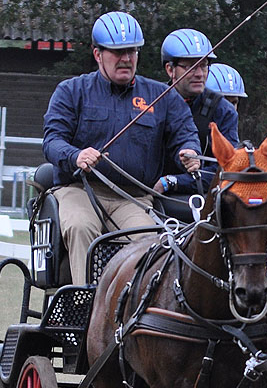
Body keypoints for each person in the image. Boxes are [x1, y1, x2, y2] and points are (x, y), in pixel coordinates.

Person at [43, 11, 201, 285]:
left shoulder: (162, 97)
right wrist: (76, 155)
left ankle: (137, 314)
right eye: (117, 52)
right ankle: (86, 306)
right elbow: (52, 141)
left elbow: (185, 134)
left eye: (131, 51)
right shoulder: (72, 91)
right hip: (80, 190)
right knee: (81, 227)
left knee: (152, 240)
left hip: (134, 198)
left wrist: (189, 151)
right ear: (97, 54)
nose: (126, 59)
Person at [155, 28, 239, 202]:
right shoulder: (150, 102)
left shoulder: (224, 111)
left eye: (203, 65)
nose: (200, 74)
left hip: (203, 202)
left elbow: (226, 170)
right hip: (148, 195)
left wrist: (172, 182)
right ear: (170, 69)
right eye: (191, 66)